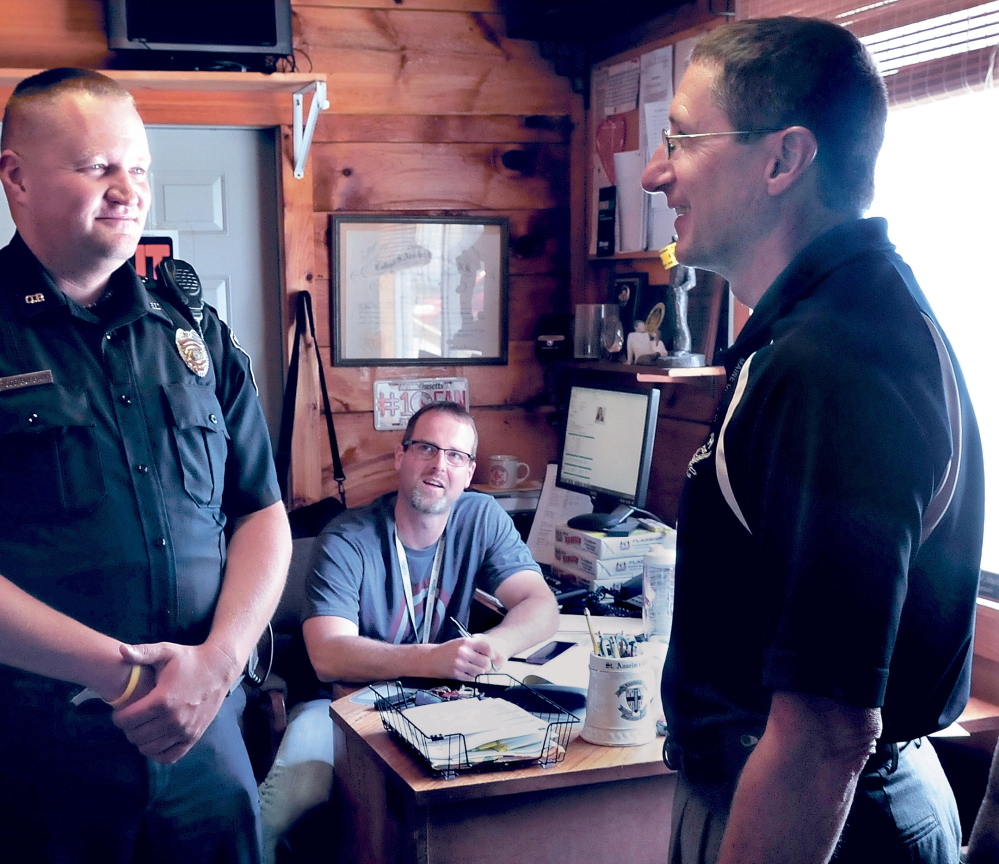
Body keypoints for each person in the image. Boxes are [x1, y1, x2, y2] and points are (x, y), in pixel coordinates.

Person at [640, 18, 983, 864]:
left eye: (681, 139)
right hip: (776, 791)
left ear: (782, 160)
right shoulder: (814, 332)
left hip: (823, 821)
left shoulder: (837, 365)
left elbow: (825, 732)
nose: (656, 173)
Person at [0, 68, 292, 863]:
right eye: (97, 166)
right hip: (40, 756)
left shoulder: (192, 327)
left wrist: (219, 666)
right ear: (17, 177)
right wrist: (129, 681)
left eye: (139, 168)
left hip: (204, 734)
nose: (128, 189)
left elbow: (261, 510)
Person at [258, 401, 559, 862]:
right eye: (426, 448)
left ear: (469, 470)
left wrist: (494, 646)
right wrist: (432, 659)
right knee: (287, 801)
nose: (440, 464)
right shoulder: (346, 538)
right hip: (340, 706)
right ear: (401, 457)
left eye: (456, 455)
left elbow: (541, 605)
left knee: (502, 801)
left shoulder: (481, 517)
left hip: (444, 704)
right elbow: (327, 654)